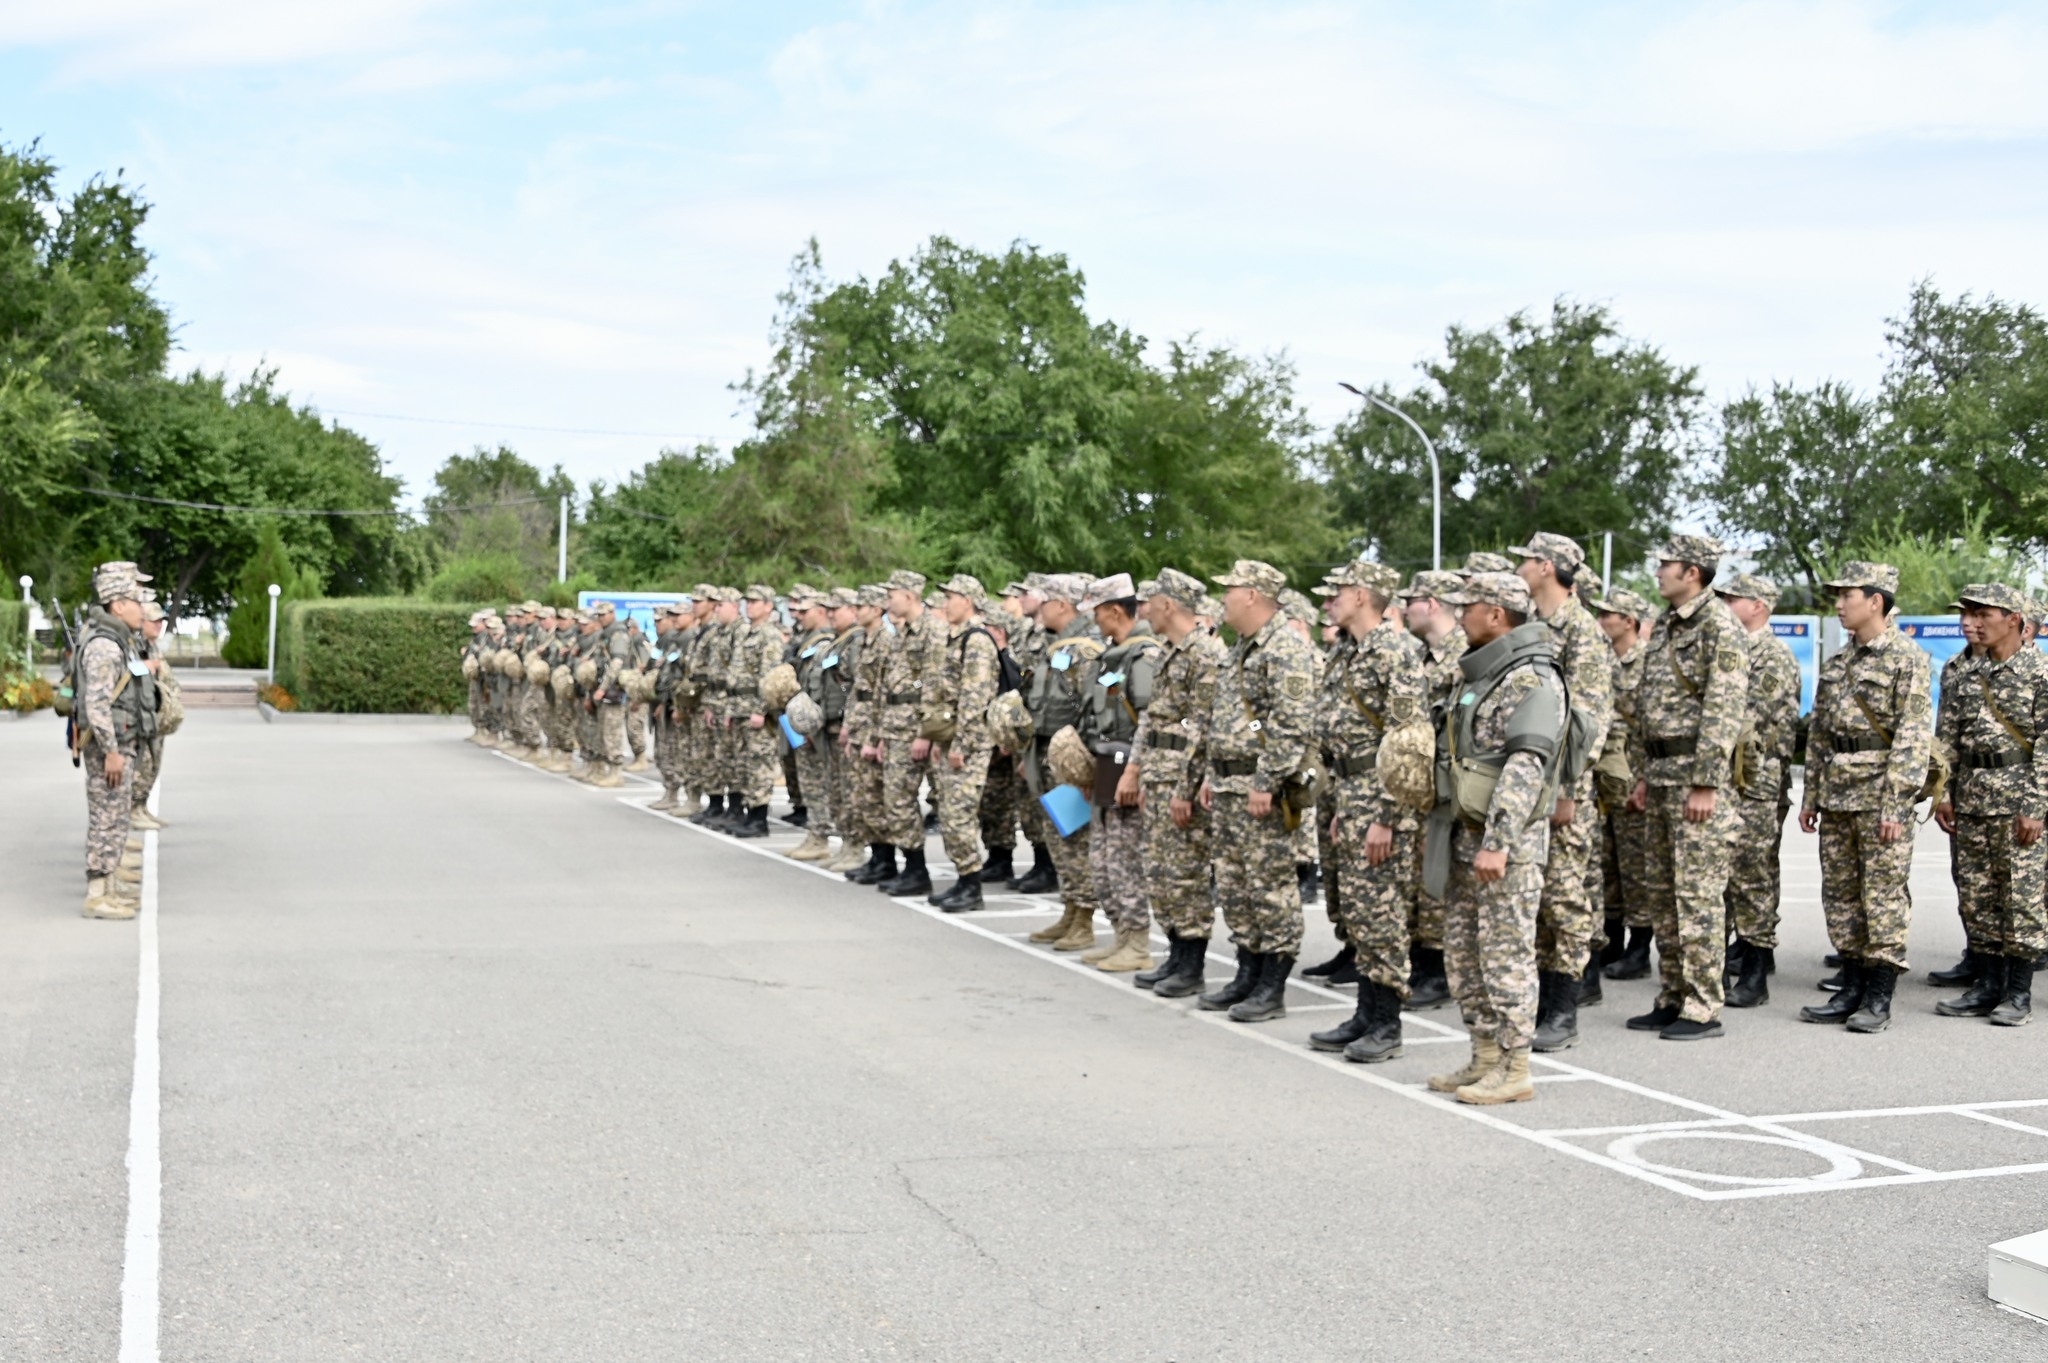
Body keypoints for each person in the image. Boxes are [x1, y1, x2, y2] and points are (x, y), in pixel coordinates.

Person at [1422, 572, 1561, 1104]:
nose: (1460, 614)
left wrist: (1498, 842)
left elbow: (1525, 766)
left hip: (1504, 845)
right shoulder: (1482, 673)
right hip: (1465, 835)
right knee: (1464, 952)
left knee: (1505, 954)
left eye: (1469, 607)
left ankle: (1516, 1065)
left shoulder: (1531, 678)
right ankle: (1484, 1056)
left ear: (1498, 615)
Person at [1798, 561, 1932, 1034]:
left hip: (1879, 798)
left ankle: (1879, 997)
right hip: (1836, 796)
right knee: (1841, 896)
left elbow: (1912, 740)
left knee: (1882, 897)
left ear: (1875, 601)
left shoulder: (1908, 658)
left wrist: (1897, 805)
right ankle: (1851, 985)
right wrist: (1811, 795)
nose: (1838, 605)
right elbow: (1819, 736)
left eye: (1846, 596)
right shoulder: (1837, 663)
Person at [1626, 535, 1748, 1042]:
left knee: (1697, 897)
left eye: (1666, 565)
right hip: (1660, 776)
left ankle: (1702, 1006)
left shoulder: (1719, 625)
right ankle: (1671, 994)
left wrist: (1706, 783)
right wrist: (1640, 773)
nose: (1658, 571)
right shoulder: (1665, 629)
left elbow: (1724, 708)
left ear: (1693, 572)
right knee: (1663, 896)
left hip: (1696, 783)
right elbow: (1647, 704)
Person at [1306, 560, 1425, 1063]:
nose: (1329, 600)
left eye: (1337, 592)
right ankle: (1365, 1012)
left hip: (1380, 799)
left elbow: (1410, 743)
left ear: (1361, 594)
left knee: (1382, 915)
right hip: (1349, 792)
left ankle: (1386, 1023)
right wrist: (1337, 802)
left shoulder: (1394, 651)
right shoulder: (1347, 651)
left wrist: (1388, 817)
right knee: (1358, 913)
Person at [1191, 560, 1318, 1023]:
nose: (1223, 596)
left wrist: (1266, 781)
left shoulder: (1284, 647)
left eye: (1231, 589)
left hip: (1259, 786)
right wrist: (1210, 774)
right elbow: (1222, 721)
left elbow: (1292, 723)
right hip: (1227, 783)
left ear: (1253, 595)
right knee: (1236, 883)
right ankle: (1248, 970)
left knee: (1270, 885)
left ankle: (1273, 983)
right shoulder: (1240, 647)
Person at [1511, 533, 1612, 1053]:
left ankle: (1564, 1009)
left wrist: (1570, 789)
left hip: (1562, 786)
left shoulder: (1582, 633)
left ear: (1547, 567)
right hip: (1525, 783)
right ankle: (1540, 1002)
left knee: (1566, 898)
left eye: (1526, 560)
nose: (1521, 567)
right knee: (1535, 896)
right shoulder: (1530, 625)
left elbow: (1588, 722)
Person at [1932, 583, 2046, 1025]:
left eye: (1983, 614)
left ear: (2014, 620)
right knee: (1977, 897)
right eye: (1968, 613)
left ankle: (2018, 994)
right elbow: (1948, 738)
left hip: (2019, 799)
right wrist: (1943, 792)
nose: (1971, 622)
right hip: (1973, 799)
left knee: (2020, 899)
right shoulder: (1960, 672)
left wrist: (2036, 806)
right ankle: (1986, 985)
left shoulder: (2040, 673)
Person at [1128, 568, 1228, 998]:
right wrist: (1134, 769)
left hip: (1180, 777)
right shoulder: (1167, 651)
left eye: (1149, 602)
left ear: (1168, 605)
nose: (1144, 609)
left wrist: (1188, 787)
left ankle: (1192, 963)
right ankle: (1174, 951)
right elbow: (1151, 718)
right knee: (1161, 870)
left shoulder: (1204, 654)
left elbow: (1205, 726)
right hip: (1158, 772)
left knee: (1185, 871)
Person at [1715, 573, 1801, 1008]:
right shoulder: (1730, 649)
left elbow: (1750, 717)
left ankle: (1755, 966)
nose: (1724, 606)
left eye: (1732, 599)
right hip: (1727, 779)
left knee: (1753, 876)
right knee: (1725, 876)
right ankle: (1734, 955)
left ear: (1758, 606)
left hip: (1757, 782)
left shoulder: (1773, 655)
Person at [1386, 569, 1469, 1009]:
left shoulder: (1462, 655)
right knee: (1418, 877)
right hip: (1417, 783)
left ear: (1433, 604)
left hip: (1446, 784)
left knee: (1440, 876)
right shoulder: (1420, 655)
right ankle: (1421, 962)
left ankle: (1439, 969)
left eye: (1412, 600)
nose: (1404, 608)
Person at [1079, 572, 1162, 966]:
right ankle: (1121, 933)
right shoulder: (1112, 654)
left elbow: (1149, 718)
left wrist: (1134, 770)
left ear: (1115, 610)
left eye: (1097, 611)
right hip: (1106, 763)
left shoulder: (1144, 656)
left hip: (1126, 763)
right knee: (1104, 860)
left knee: (1126, 859)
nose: (1093, 619)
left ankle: (1138, 944)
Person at [1020, 574, 1107, 949]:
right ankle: (1070, 909)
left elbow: (1092, 709)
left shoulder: (1085, 649)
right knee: (1058, 836)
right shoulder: (1057, 645)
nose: (1039, 607)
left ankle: (1084, 919)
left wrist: (1083, 766)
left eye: (1046, 600)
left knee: (1075, 837)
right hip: (1046, 753)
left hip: (1070, 759)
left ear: (1063, 605)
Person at [75, 561, 157, 921]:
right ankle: (97, 894)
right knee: (105, 817)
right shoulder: (106, 647)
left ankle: (108, 884)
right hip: (111, 748)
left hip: (122, 744)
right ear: (117, 605)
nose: (142, 609)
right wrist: (110, 751)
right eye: (135, 601)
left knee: (116, 814)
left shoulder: (118, 641)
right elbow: (96, 704)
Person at [925, 575, 1003, 910]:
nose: (946, 603)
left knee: (959, 816)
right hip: (951, 738)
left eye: (952, 597)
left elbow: (975, 698)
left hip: (967, 743)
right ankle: (963, 880)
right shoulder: (957, 639)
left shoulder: (977, 641)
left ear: (968, 601)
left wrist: (962, 745)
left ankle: (972, 887)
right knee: (951, 812)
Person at [1593, 589, 1656, 981]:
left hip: (1633, 776)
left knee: (1636, 868)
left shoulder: (1647, 663)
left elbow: (1654, 727)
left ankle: (1639, 948)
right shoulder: (1601, 661)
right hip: (1605, 778)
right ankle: (1611, 940)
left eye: (1608, 615)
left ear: (1629, 621)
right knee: (1607, 865)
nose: (1602, 621)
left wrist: (1645, 780)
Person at [870, 571, 941, 895]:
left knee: (947, 805)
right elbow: (891, 688)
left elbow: (936, 685)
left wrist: (926, 732)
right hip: (898, 729)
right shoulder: (902, 633)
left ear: (910, 595)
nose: (888, 601)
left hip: (921, 729)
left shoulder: (932, 631)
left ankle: (968, 873)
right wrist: (883, 734)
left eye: (892, 594)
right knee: (897, 800)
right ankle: (914, 868)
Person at [130, 597, 181, 832]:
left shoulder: (153, 647)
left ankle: (141, 807)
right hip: (140, 715)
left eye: (161, 621)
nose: (159, 625)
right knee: (142, 764)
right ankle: (132, 810)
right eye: (154, 621)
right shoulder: (134, 646)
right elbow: (125, 670)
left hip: (156, 716)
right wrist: (146, 666)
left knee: (153, 764)